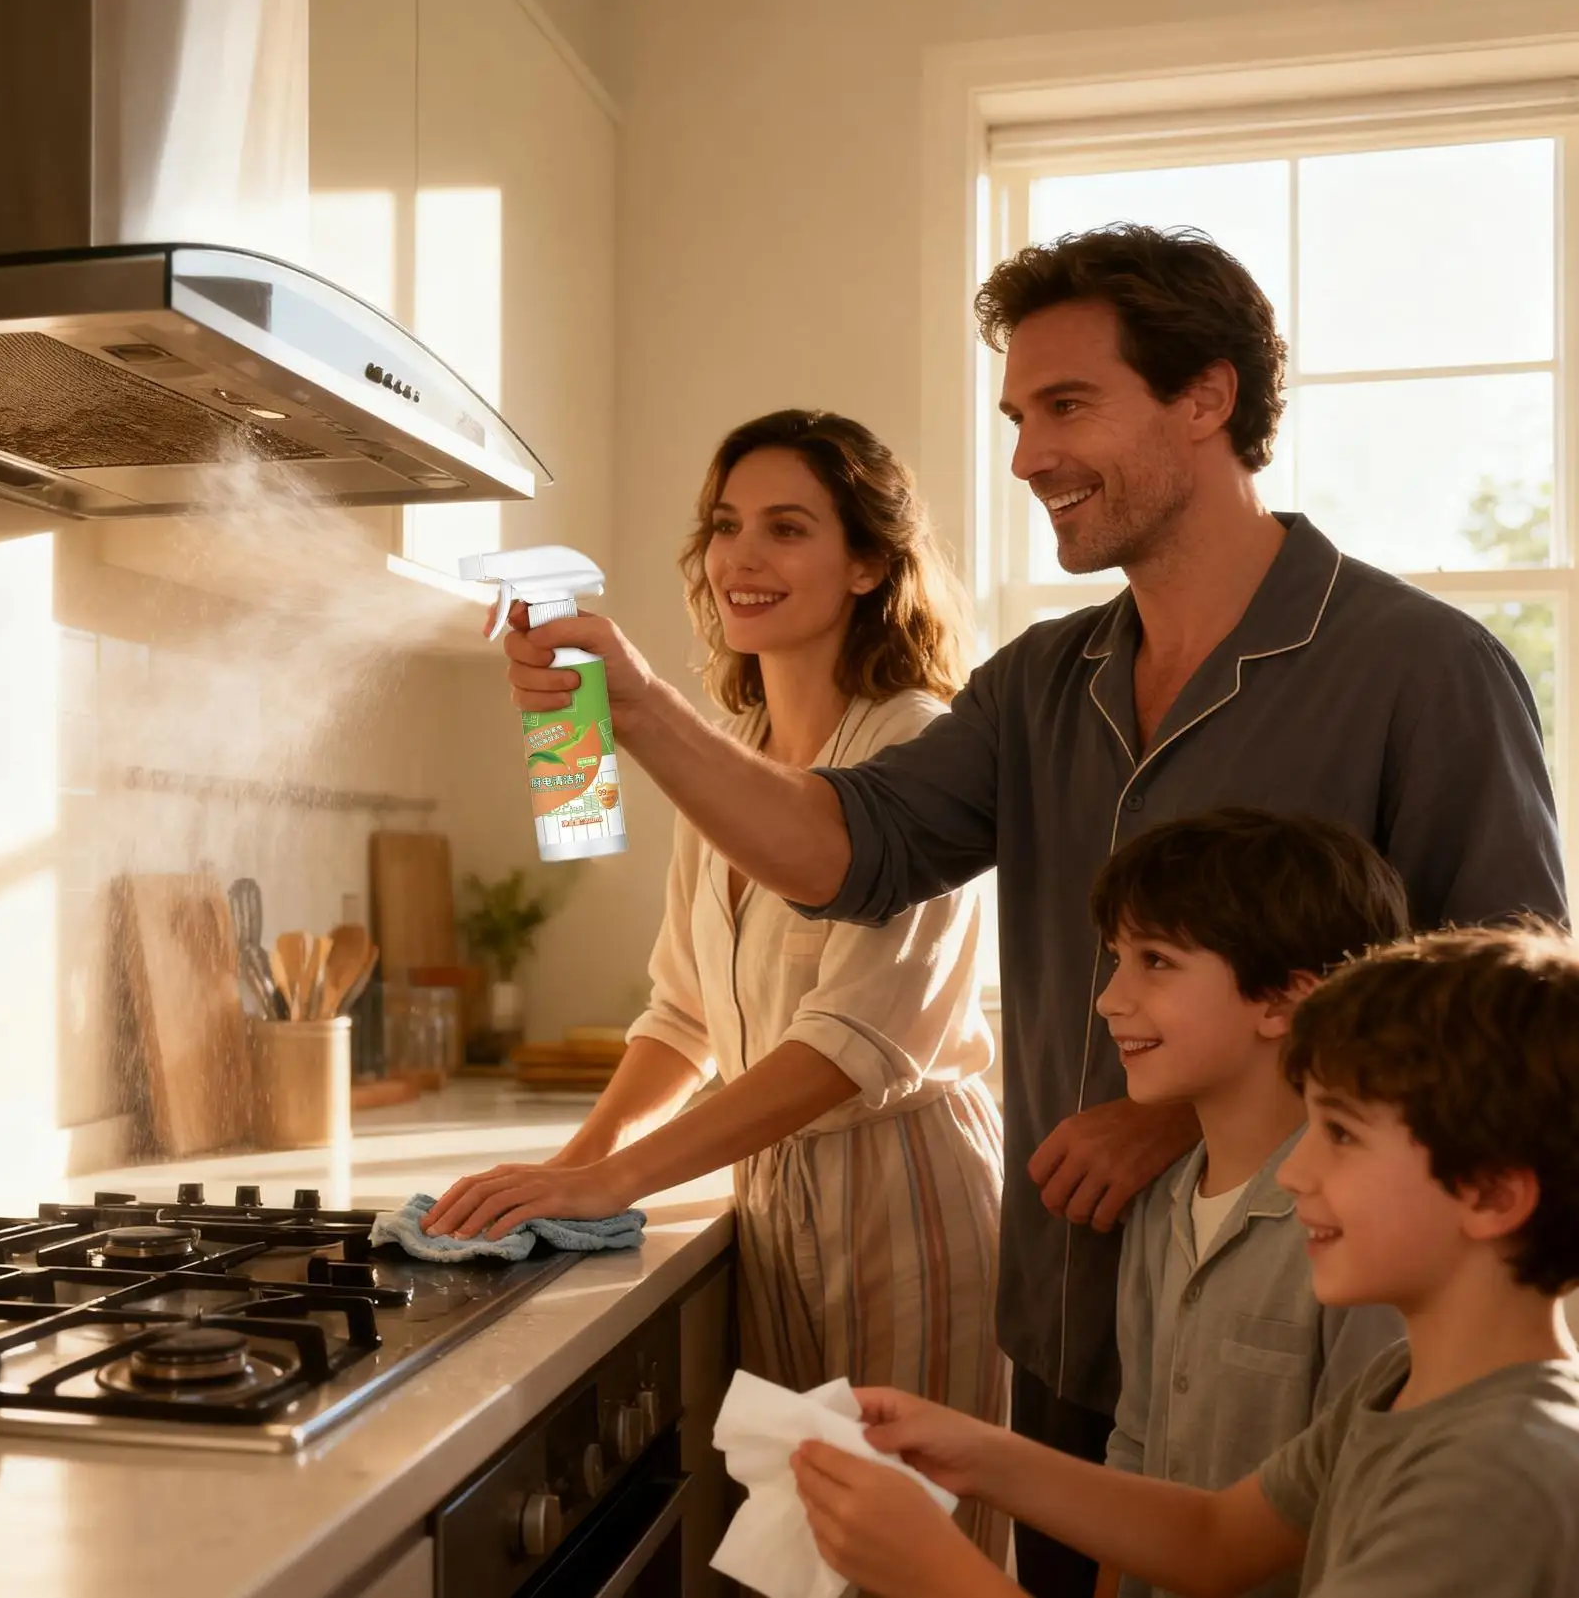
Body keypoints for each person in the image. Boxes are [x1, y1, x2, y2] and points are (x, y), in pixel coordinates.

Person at [487, 225, 1567, 1595]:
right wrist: (634, 705)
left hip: (1307, 1346)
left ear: (1207, 397)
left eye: (1066, 406)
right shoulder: (1043, 682)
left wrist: (1173, 1110)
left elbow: (1513, 1026)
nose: (1024, 457)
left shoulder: (1421, 670)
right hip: (1068, 1329)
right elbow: (847, 844)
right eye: (1016, 415)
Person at [425, 410, 1009, 1563]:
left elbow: (849, 1047)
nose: (741, 558)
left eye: (785, 529)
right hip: (769, 1200)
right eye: (725, 527)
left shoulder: (913, 745)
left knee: (911, 1557)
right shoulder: (730, 751)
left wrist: (615, 1178)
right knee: (796, 1558)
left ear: (866, 563)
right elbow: (682, 1011)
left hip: (906, 1205)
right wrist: (572, 1167)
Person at [791, 924, 1579, 1598]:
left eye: (1339, 1134)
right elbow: (1213, 1537)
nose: (1298, 1170)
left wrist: (935, 1570)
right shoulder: (1405, 1383)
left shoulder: (1496, 1480)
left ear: (1490, 1193)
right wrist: (977, 1452)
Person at [1086, 809, 1408, 1598]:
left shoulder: (1357, 1229)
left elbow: (1361, 1506)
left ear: (1284, 1002)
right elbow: (1132, 1450)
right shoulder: (1159, 1204)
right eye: (1116, 959)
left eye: (1154, 961)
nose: (1107, 999)